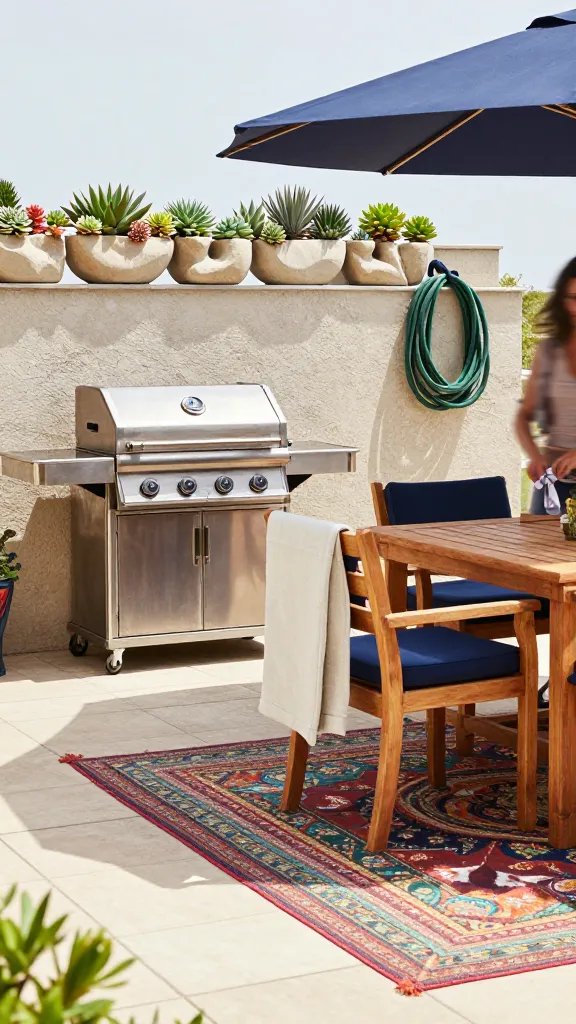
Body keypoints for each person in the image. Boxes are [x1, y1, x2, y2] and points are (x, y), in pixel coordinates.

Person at [516, 256, 576, 514]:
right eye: (570, 298)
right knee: (535, 553)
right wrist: (535, 455)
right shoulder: (550, 351)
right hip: (553, 484)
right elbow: (524, 415)